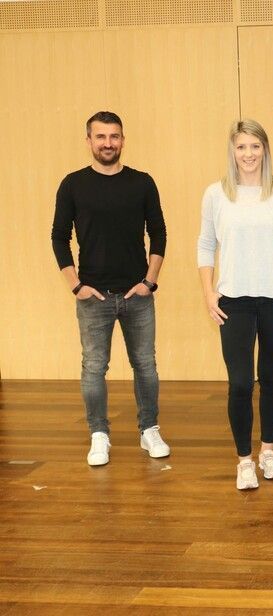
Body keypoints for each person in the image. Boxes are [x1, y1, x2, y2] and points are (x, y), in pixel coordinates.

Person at [51, 111, 170, 467]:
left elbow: (159, 233)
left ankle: (149, 429)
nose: (108, 143)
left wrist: (150, 281)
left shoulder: (142, 182)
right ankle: (98, 434)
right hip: (94, 296)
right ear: (88, 140)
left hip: (137, 295)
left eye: (114, 136)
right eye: (100, 137)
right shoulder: (73, 184)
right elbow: (59, 236)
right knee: (93, 368)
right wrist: (76, 286)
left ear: (123, 139)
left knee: (145, 366)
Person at [198, 119, 273, 490]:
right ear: (232, 150)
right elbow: (205, 245)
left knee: (271, 377)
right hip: (234, 301)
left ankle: (268, 451)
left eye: (255, 146)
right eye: (242, 147)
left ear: (265, 150)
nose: (248, 154)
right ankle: (244, 460)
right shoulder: (216, 194)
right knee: (241, 382)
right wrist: (209, 293)